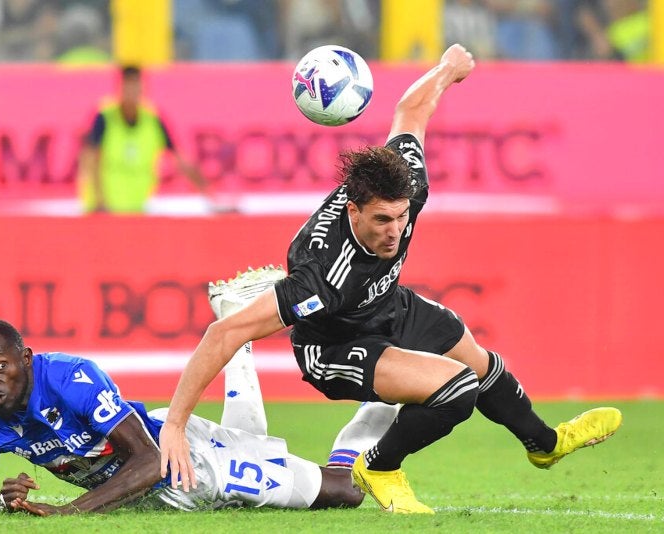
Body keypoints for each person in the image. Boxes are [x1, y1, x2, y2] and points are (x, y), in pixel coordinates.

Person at [158, 43, 623, 514]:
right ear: (353, 209)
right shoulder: (322, 277)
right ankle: (378, 466)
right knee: (456, 389)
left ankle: (545, 443)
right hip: (334, 346)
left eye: (401, 217)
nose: (396, 232)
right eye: (382, 220)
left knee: (480, 362)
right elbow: (224, 333)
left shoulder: (406, 183)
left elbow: (411, 109)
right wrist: (175, 425)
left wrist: (447, 69)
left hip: (386, 305)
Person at [0, 271, 381, 515]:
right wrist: (1, 502)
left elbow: (153, 460)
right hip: (142, 489)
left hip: (186, 462)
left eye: (0, 368)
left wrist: (70, 512)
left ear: (25, 359)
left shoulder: (71, 379)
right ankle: (239, 341)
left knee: (345, 492)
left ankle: (379, 403)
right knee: (250, 446)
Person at [78, 65, 209, 214]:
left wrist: (207, 193)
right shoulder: (105, 117)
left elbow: (179, 159)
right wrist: (100, 201)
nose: (132, 93)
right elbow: (90, 160)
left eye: (136, 86)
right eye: (129, 87)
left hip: (137, 208)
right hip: (105, 209)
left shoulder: (152, 119)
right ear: (120, 88)